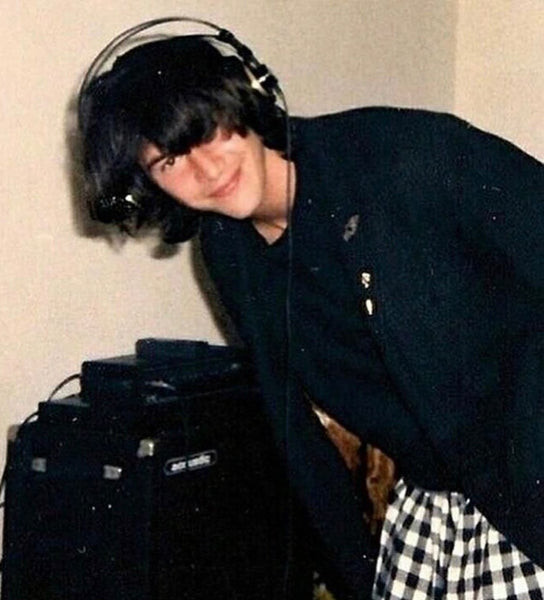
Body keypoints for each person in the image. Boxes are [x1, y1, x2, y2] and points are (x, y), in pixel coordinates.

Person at [77, 29, 544, 599]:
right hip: (443, 499)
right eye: (171, 160)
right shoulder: (227, 251)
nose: (206, 170)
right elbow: (294, 428)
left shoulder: (402, 156)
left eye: (204, 131)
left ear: (246, 95)